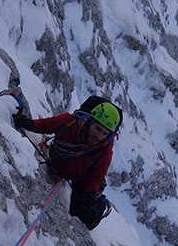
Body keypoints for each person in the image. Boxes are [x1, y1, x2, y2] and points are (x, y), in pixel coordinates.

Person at [13, 95, 122, 230]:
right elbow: (45, 125)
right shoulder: (70, 123)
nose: (99, 136)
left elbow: (95, 178)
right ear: (90, 121)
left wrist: (91, 194)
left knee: (85, 219)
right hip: (60, 164)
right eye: (97, 129)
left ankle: (98, 204)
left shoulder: (104, 153)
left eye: (105, 133)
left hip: (80, 178)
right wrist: (27, 123)